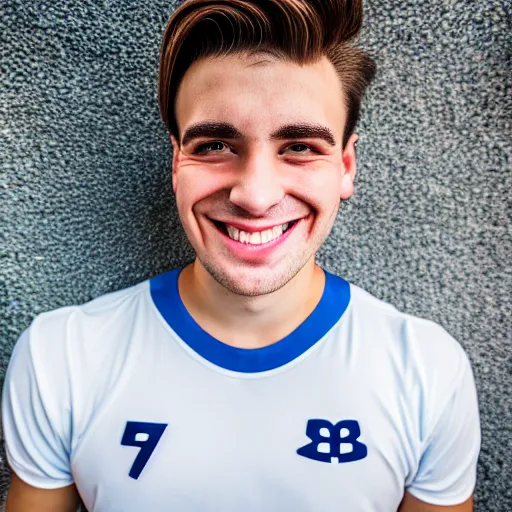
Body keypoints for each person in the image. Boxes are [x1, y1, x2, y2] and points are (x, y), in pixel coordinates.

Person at [1, 0, 481, 511]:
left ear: (344, 166)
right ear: (176, 163)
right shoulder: (62, 359)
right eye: (214, 146)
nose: (255, 196)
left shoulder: (427, 372)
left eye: (298, 146)